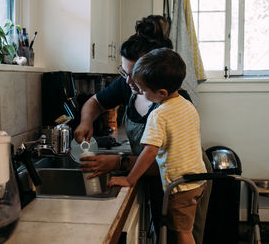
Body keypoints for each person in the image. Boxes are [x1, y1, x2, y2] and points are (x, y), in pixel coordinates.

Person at [74, 15, 211, 243]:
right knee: (163, 232)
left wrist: (120, 163)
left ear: (152, 72)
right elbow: (94, 103)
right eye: (124, 72)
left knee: (181, 235)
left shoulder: (173, 104)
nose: (127, 82)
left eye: (132, 74)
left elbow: (171, 161)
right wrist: (85, 121)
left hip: (183, 176)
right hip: (155, 174)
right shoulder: (132, 84)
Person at [108, 48, 207, 244]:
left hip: (180, 186)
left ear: (161, 93)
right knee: (184, 231)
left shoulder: (159, 114)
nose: (141, 94)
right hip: (198, 180)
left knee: (183, 233)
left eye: (144, 91)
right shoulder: (186, 105)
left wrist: (129, 179)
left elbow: (150, 152)